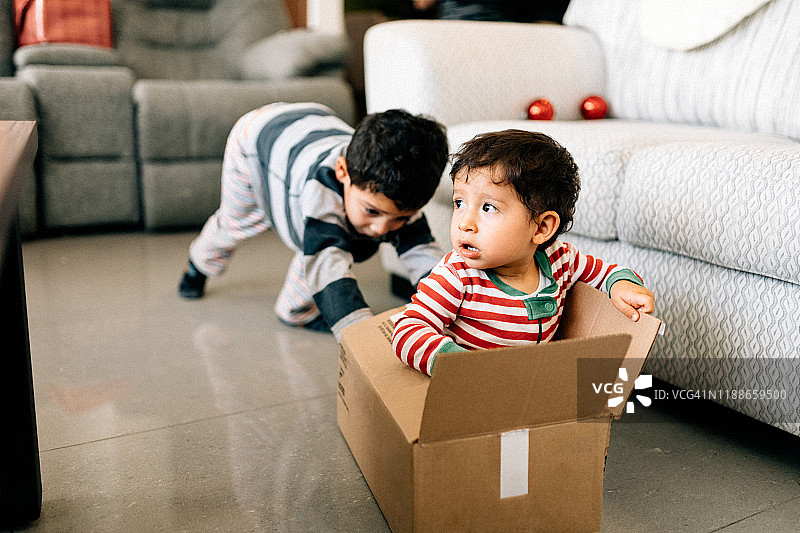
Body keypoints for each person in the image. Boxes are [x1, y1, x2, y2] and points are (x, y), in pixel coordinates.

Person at [392, 129, 655, 375]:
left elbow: (604, 272)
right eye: (459, 203)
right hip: (474, 392)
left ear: (541, 227)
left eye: (488, 208)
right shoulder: (457, 276)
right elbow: (408, 330)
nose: (464, 223)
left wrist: (622, 284)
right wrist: (458, 365)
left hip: (529, 384)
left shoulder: (560, 259)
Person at [179, 102, 449, 341]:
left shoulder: (399, 187)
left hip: (314, 124)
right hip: (255, 140)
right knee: (236, 223)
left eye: (400, 218)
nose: (381, 229)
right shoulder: (318, 193)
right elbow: (328, 266)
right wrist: (362, 339)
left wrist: (450, 308)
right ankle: (197, 266)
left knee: (325, 237)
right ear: (343, 172)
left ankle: (294, 309)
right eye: (371, 212)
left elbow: (423, 254)